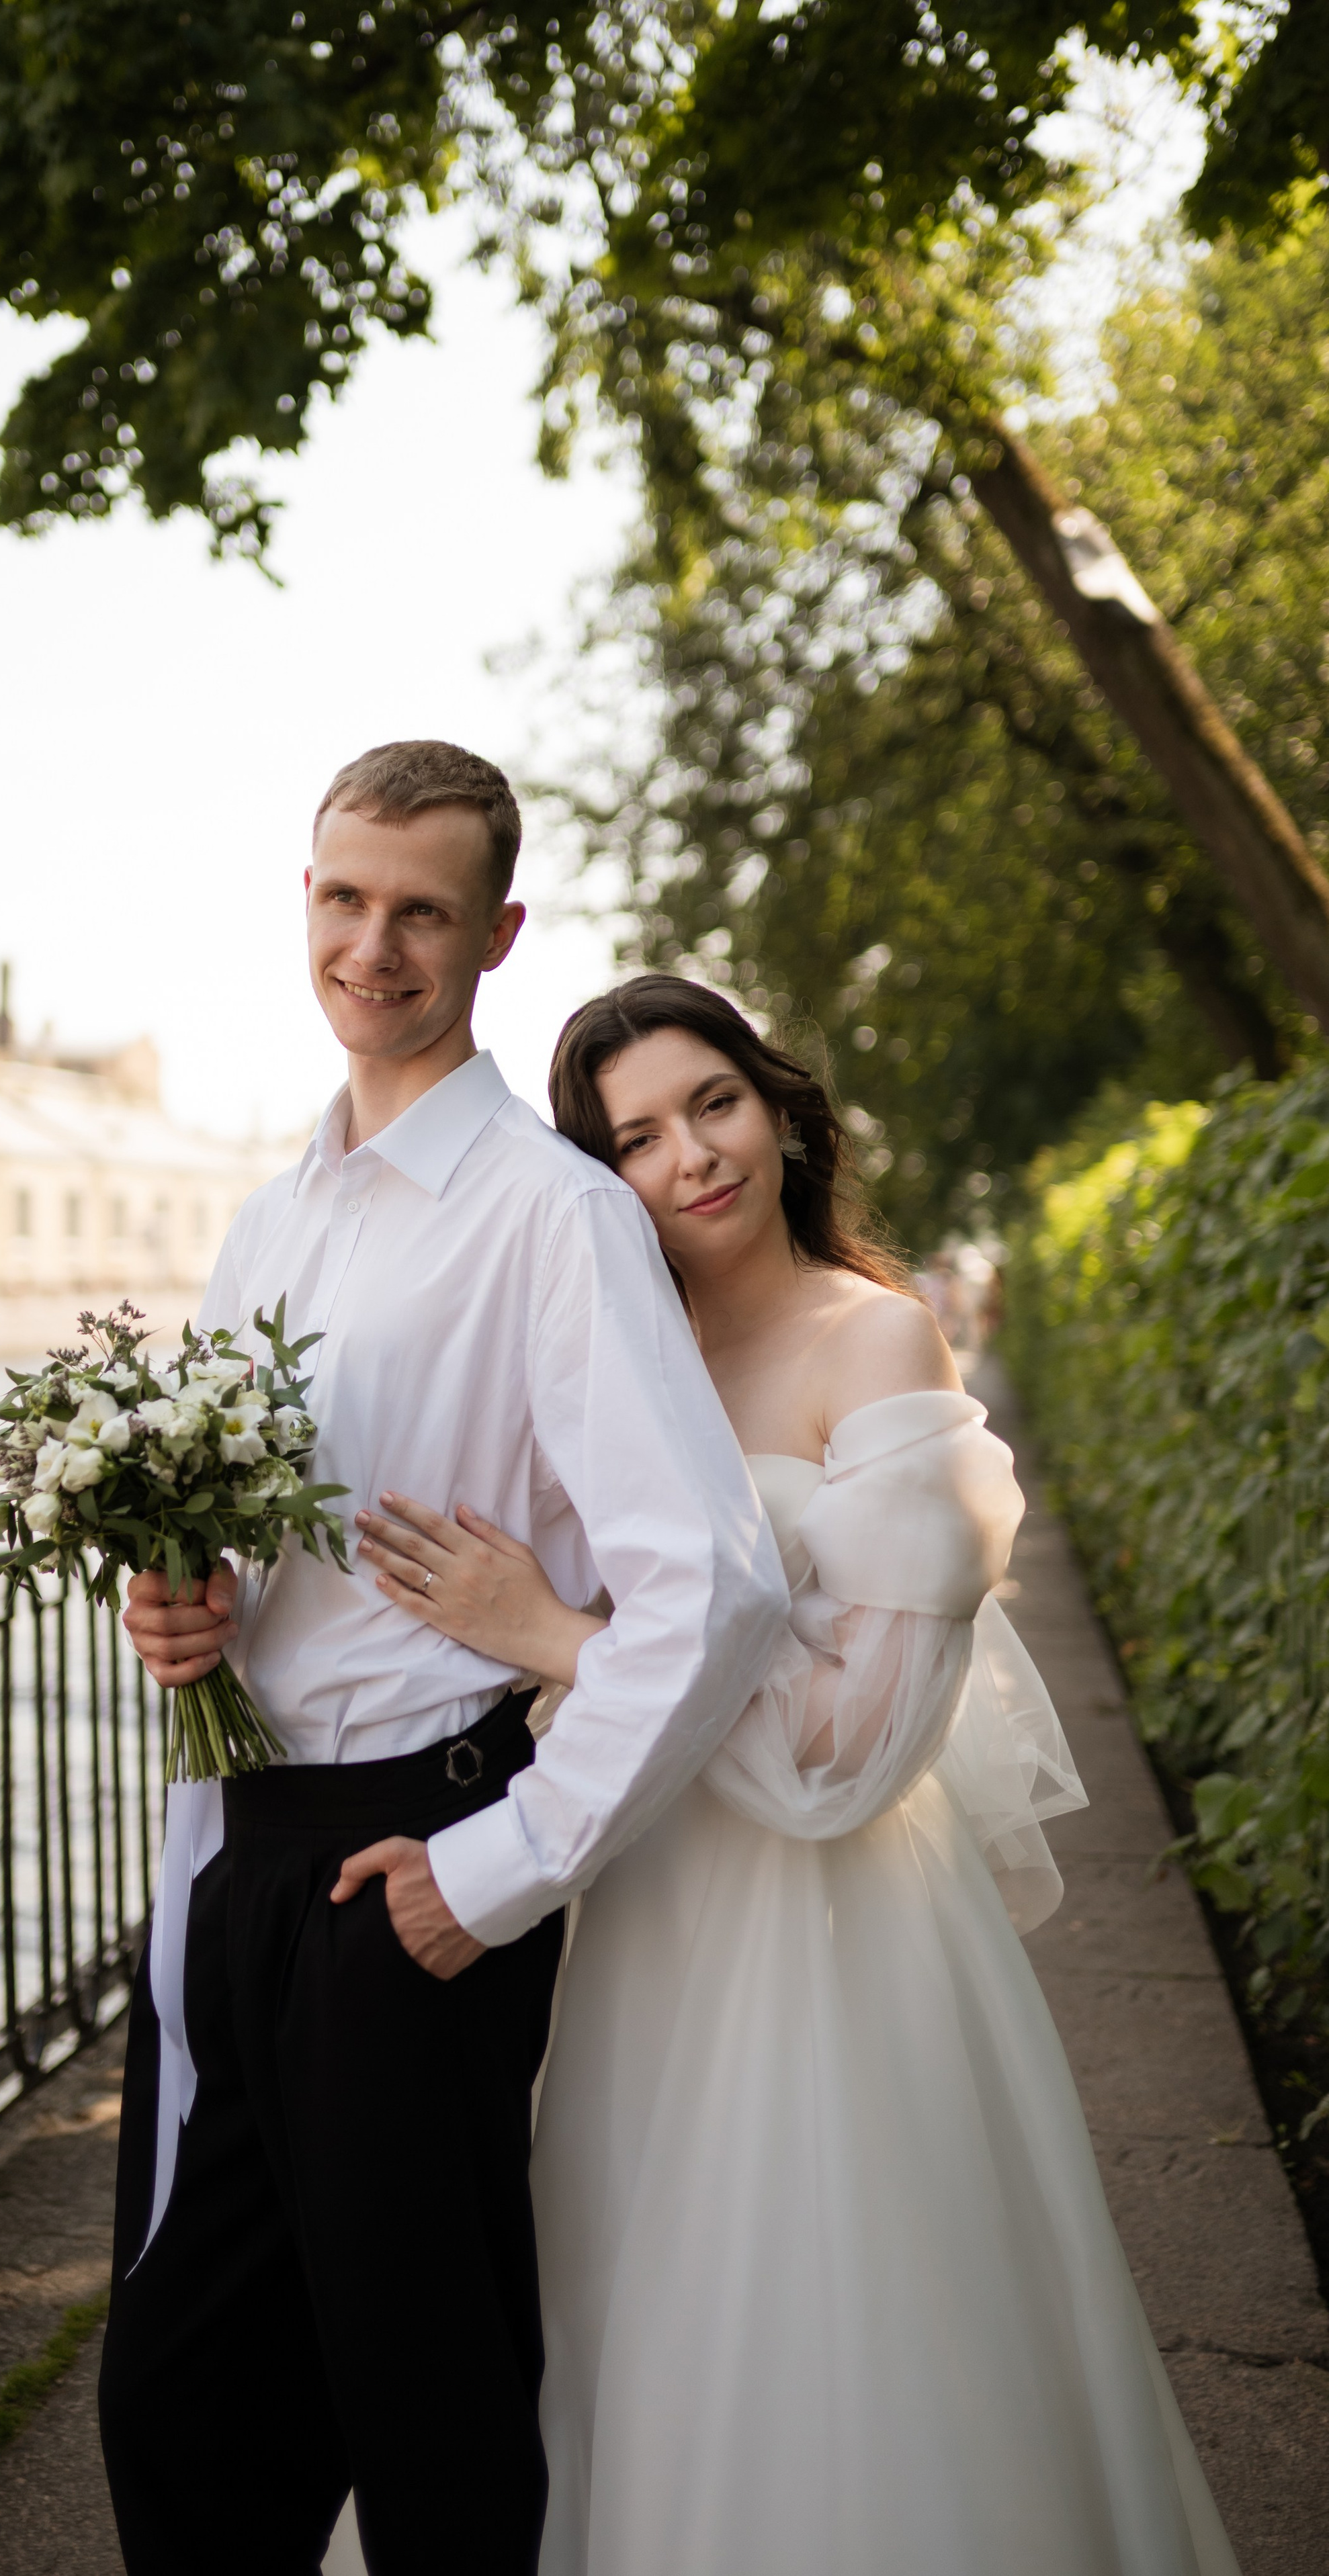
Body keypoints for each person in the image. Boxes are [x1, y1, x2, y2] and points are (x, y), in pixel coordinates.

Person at [357, 975, 1240, 2576]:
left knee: (835, 2324)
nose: (690, 1156)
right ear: (597, 1177)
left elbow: (840, 1752)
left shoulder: (876, 1336)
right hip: (636, 1906)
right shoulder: (613, 1357)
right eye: (632, 1138)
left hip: (833, 1927)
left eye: (712, 1102)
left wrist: (561, 1637)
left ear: (776, 1107)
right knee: (626, 2300)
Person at [100, 752, 794, 2576]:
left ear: (495, 934)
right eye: (344, 897)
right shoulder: (272, 1218)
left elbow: (712, 1588)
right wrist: (195, 1614)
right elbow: (257, 1550)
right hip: (246, 1850)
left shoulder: (552, 1219)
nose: (373, 943)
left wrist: (498, 1871)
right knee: (177, 2396)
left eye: (420, 910)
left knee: (434, 2424)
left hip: (414, 1868)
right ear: (305, 900)